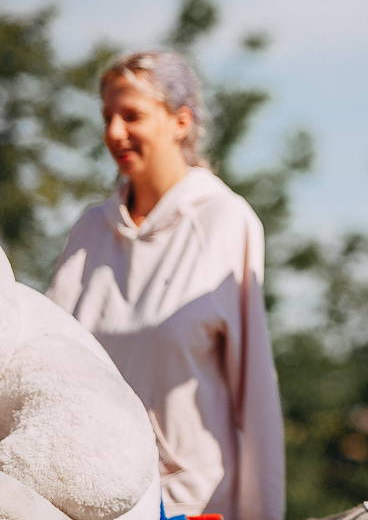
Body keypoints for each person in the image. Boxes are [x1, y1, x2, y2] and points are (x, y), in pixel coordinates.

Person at [47, 50, 285, 520]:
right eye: (108, 117)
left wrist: (265, 514)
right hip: (89, 502)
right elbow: (47, 363)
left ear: (181, 121)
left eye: (131, 115)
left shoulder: (225, 221)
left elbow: (254, 392)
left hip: (191, 506)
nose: (114, 133)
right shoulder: (89, 231)